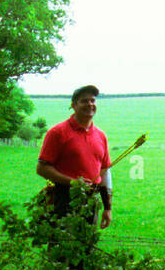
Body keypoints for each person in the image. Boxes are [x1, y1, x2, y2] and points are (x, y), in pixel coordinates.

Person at [36, 85, 113, 234]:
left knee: (86, 248)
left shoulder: (100, 136)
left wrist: (107, 208)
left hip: (91, 200)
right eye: (84, 101)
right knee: (62, 247)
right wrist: (74, 182)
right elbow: (42, 168)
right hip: (63, 198)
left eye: (93, 100)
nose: (90, 104)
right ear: (73, 106)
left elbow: (104, 173)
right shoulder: (57, 133)